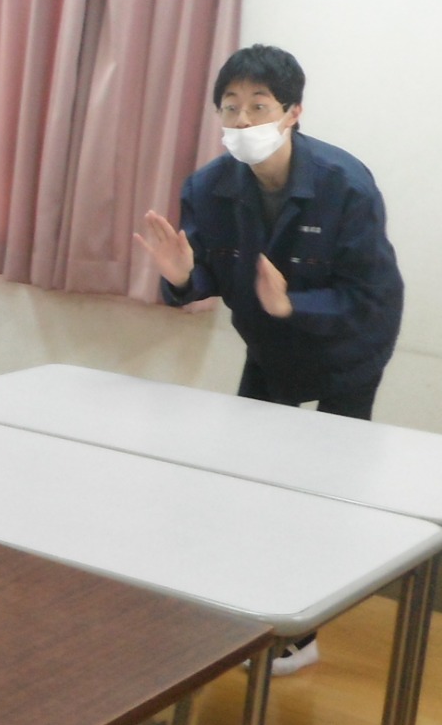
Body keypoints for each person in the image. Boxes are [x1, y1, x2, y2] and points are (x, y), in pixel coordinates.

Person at [136, 44, 405, 676]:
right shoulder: (208, 185)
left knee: (320, 489)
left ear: (293, 114)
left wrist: (295, 307)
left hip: (351, 346)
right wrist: (181, 277)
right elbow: (200, 271)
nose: (242, 122)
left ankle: (302, 631)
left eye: (259, 107)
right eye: (230, 108)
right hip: (270, 344)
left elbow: (368, 295)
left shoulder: (345, 184)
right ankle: (245, 607)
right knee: (249, 475)